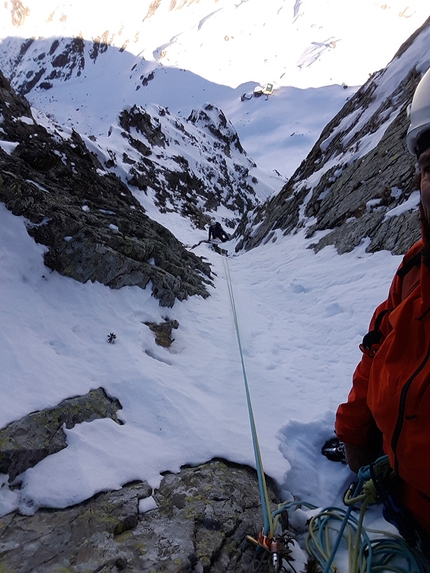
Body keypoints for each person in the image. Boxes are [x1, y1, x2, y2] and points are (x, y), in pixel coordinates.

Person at [335, 67, 430, 547]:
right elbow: (378, 348)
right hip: (401, 508)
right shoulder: (416, 268)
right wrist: (356, 431)